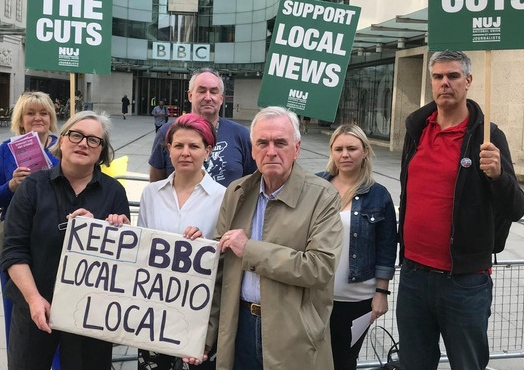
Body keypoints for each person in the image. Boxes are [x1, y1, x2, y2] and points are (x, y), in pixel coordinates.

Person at [396, 51, 524, 370]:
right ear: (431, 82)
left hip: (464, 282)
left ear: (468, 81)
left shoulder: (488, 136)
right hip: (413, 277)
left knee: (467, 365)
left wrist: (498, 176)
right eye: (438, 76)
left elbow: (516, 207)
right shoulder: (416, 130)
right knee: (413, 363)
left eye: (453, 76)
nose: (445, 83)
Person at [189, 106, 342, 370]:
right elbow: (220, 270)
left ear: (296, 148)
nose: (271, 151)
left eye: (280, 142)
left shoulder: (323, 196)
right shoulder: (237, 192)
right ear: (252, 149)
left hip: (293, 332)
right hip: (239, 328)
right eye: (262, 142)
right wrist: (207, 333)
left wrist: (250, 249)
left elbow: (320, 268)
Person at [0, 111, 129, 370]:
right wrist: (34, 299)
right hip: (34, 306)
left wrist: (114, 233)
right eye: (76, 135)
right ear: (62, 140)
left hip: (89, 315)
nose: (83, 143)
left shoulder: (114, 192)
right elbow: (13, 250)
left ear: (102, 151)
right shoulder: (33, 186)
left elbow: (122, 264)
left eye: (93, 140)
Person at [111, 114, 225, 370]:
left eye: (194, 146)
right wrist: (122, 232)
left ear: (207, 151)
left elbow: (225, 264)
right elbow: (142, 250)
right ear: (169, 150)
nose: (185, 152)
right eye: (178, 146)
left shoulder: (224, 197)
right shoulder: (151, 193)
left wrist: (206, 244)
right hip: (153, 314)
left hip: (198, 316)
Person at [317, 125, 397, 370]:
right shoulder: (317, 184)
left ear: (365, 151)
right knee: (313, 361)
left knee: (343, 362)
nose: (345, 154)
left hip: (357, 300)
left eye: (352, 148)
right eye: (339, 148)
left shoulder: (378, 195)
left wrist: (381, 294)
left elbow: (386, 248)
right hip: (316, 296)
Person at [0, 91, 60, 358]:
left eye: (43, 112)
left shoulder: (62, 147)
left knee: (56, 306)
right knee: (18, 307)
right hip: (16, 237)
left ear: (51, 116)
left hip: (54, 236)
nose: (37, 118)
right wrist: (11, 185)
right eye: (30, 113)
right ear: (21, 118)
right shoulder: (7, 149)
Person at [149, 69, 256, 187]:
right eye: (202, 91)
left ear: (221, 98)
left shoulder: (241, 135)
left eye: (214, 92)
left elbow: (253, 182)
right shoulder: (167, 133)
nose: (208, 97)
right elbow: (157, 184)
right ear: (190, 96)